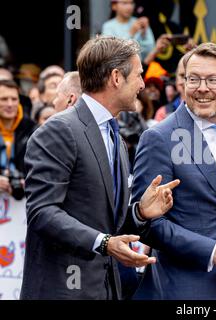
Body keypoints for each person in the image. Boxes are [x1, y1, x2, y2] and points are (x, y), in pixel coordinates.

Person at [20, 37, 179, 300]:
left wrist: (140, 212)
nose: (142, 84)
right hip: (62, 291)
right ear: (116, 77)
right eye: (139, 75)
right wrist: (104, 244)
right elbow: (42, 212)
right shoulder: (59, 130)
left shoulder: (115, 135)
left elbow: (103, 220)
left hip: (105, 289)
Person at [131, 42, 216, 300]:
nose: (202, 88)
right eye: (194, 79)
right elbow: (148, 224)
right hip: (183, 288)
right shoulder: (159, 138)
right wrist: (213, 251)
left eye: (213, 80)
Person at [0, 79, 36, 198]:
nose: (10, 104)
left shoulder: (33, 129)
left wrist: (27, 180)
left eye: (14, 99)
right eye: (4, 99)